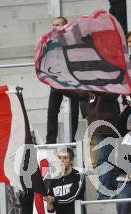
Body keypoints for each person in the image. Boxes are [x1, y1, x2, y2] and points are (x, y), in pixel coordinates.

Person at [46, 16, 80, 144]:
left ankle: (71, 138)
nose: (54, 27)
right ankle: (50, 141)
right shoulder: (50, 42)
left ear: (65, 26)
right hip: (56, 79)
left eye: (58, 25)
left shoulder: (72, 40)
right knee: (52, 111)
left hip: (71, 81)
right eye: (53, 25)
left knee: (73, 111)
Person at [45, 148, 90, 214]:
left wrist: (54, 199)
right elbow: (51, 210)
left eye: (65, 158)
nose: (61, 160)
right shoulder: (54, 180)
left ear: (71, 161)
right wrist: (49, 202)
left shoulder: (79, 176)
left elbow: (73, 197)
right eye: (59, 158)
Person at [86, 93, 121, 199]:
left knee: (103, 161)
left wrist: (97, 87)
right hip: (96, 130)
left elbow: (113, 95)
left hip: (107, 128)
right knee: (106, 161)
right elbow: (78, 93)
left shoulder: (105, 83)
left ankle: (104, 193)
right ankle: (112, 190)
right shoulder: (90, 86)